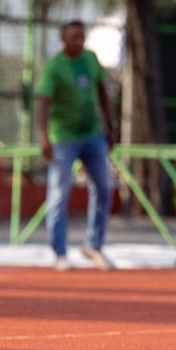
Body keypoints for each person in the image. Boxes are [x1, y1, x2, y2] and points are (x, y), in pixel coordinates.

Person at [34, 21, 118, 271]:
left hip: (93, 135)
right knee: (60, 194)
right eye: (74, 37)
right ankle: (59, 252)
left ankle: (94, 245)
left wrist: (110, 125)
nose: (79, 41)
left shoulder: (91, 60)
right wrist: (44, 137)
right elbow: (43, 103)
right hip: (64, 138)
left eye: (82, 36)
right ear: (63, 39)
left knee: (104, 187)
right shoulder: (55, 67)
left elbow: (102, 92)